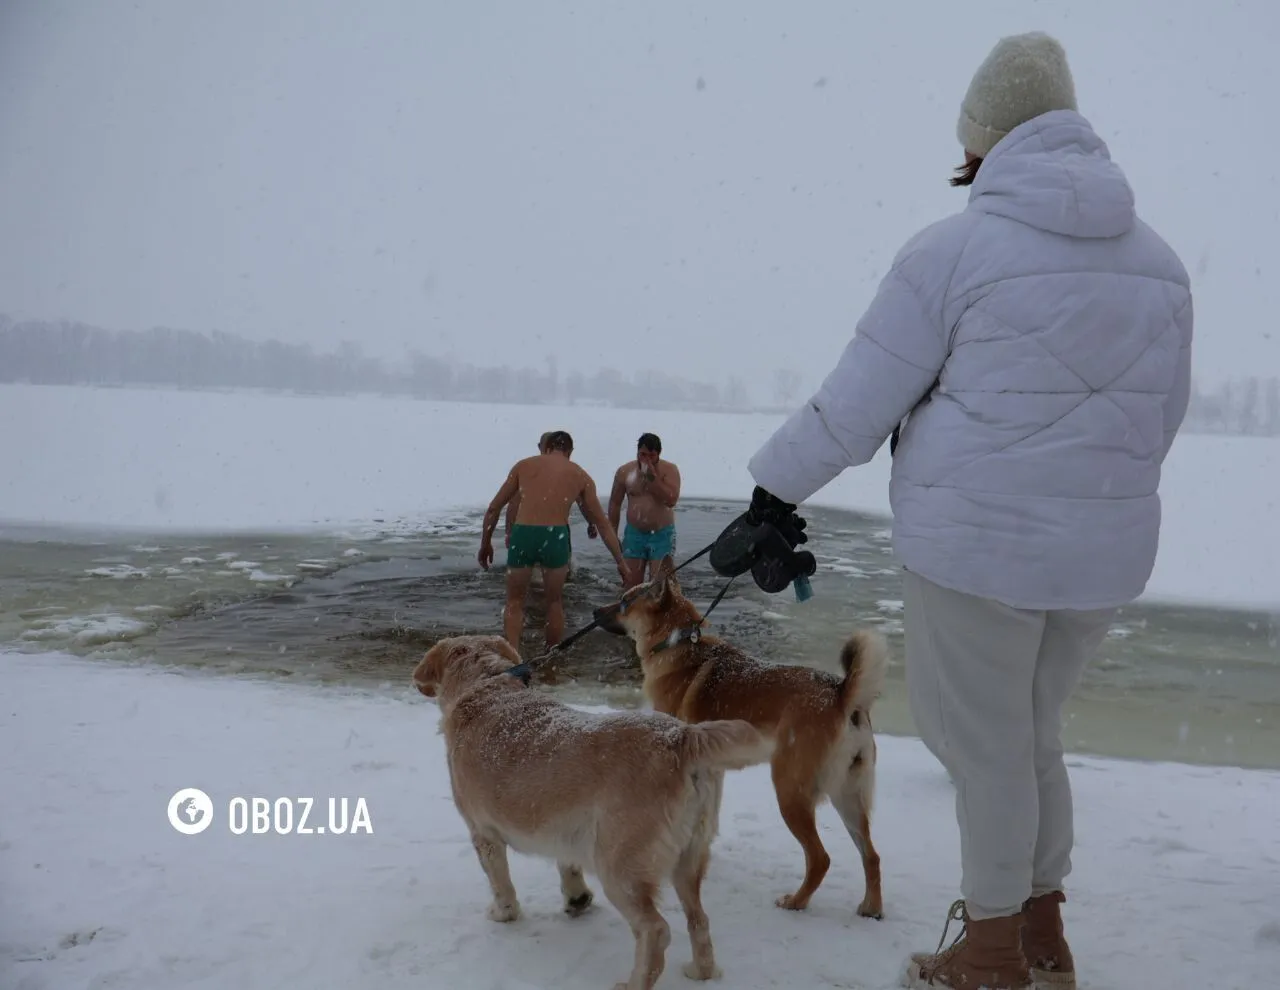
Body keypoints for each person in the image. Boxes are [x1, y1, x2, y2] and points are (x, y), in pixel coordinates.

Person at [742, 32, 1192, 990]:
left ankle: (991, 954)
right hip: (1102, 556)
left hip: (980, 551)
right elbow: (1161, 420)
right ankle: (1041, 934)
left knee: (980, 747)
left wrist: (775, 490)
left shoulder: (953, 252)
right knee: (1027, 738)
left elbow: (858, 399)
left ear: (984, 141)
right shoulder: (1160, 265)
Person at [479, 430, 628, 652]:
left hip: (524, 533)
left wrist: (486, 543)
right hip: (555, 534)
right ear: (569, 451)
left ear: (547, 447)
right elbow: (603, 524)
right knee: (554, 603)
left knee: (514, 602)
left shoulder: (524, 466)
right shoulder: (580, 475)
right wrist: (621, 562)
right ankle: (551, 655)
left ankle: (512, 655)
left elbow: (494, 508)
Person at [505, 432, 599, 574]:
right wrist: (509, 532)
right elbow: (513, 504)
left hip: (531, 531)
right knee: (557, 575)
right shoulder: (562, 472)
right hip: (554, 532)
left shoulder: (529, 470)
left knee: (534, 575)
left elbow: (581, 501)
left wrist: (510, 532)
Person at [608, 433, 682, 589]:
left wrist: (652, 479)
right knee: (631, 587)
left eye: (651, 455)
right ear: (637, 452)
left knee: (659, 588)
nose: (646, 459)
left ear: (658, 454)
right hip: (635, 534)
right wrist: (613, 534)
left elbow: (671, 500)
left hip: (662, 534)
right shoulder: (624, 471)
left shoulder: (669, 470)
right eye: (642, 454)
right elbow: (615, 503)